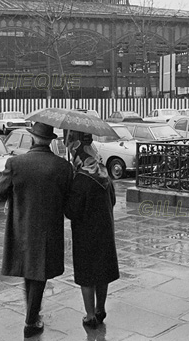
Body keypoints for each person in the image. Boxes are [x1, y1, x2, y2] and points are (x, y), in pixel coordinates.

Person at [0, 122, 73, 338]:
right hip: (49, 228)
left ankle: (33, 315)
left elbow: (0, 191)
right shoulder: (62, 166)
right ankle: (31, 320)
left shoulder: (15, 163)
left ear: (32, 138)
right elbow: (68, 201)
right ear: (50, 140)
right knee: (38, 272)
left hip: (22, 226)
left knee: (30, 270)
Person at [65, 132, 119, 329]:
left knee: (87, 274)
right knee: (102, 272)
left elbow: (71, 211)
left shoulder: (80, 179)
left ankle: (90, 316)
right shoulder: (104, 172)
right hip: (105, 230)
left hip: (86, 234)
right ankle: (100, 309)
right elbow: (112, 201)